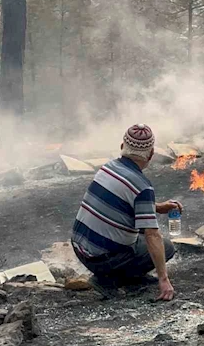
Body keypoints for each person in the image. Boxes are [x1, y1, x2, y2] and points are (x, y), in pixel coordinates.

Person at [71, 124, 182, 301]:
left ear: (122, 147)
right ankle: (109, 279)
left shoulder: (107, 168)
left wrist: (158, 207)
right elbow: (152, 236)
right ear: (151, 154)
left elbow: (123, 202)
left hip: (80, 247)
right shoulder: (141, 186)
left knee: (138, 234)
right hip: (101, 259)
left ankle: (126, 274)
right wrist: (164, 279)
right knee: (166, 247)